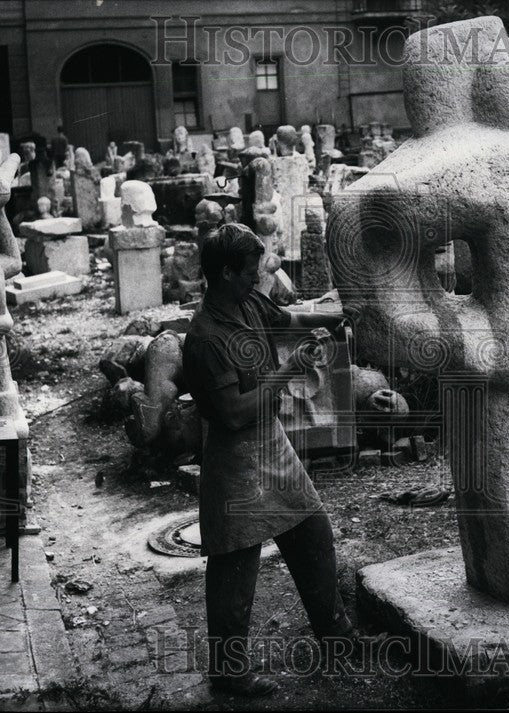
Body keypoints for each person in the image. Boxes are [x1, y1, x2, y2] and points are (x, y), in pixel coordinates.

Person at [182, 223, 357, 696]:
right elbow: (234, 413)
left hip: (271, 442)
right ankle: (230, 674)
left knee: (311, 529)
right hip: (236, 456)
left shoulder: (246, 301)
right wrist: (286, 371)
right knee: (235, 563)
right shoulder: (205, 337)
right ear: (225, 272)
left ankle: (338, 636)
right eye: (252, 270)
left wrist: (325, 323)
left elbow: (282, 321)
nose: (259, 276)